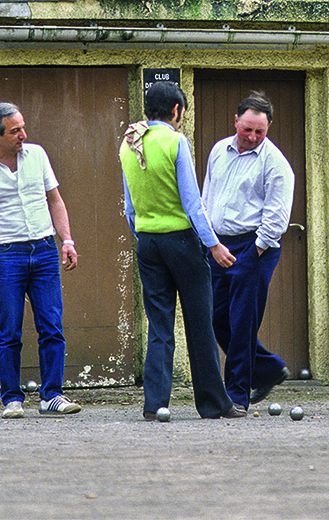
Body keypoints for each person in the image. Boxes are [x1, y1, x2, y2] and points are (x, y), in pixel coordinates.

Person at [120, 81, 245, 420]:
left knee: (159, 325)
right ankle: (213, 404)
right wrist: (213, 244)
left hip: (148, 242)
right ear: (176, 110)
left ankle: (155, 403)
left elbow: (129, 207)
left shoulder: (128, 143)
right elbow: (192, 203)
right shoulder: (176, 142)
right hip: (183, 243)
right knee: (199, 324)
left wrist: (146, 236)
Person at [0, 102, 83, 419]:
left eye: (23, 127)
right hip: (7, 256)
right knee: (9, 330)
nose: (23, 135)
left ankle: (51, 395)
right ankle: (12, 399)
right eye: (15, 131)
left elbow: (55, 200)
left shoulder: (37, 155)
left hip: (44, 250)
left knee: (52, 326)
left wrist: (66, 240)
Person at [201, 91, 295, 409]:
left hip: (256, 247)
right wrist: (209, 242)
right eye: (247, 129)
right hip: (219, 245)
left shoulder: (276, 164)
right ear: (236, 121)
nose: (253, 137)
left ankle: (237, 395)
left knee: (243, 321)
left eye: (260, 132)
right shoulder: (218, 151)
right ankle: (268, 369)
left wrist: (251, 254)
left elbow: (276, 218)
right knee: (217, 319)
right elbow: (207, 198)